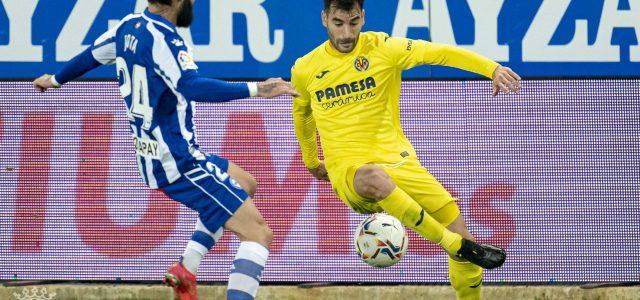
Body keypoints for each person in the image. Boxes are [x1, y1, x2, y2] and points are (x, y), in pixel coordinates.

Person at [33, 0, 299, 299]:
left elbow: (92, 56)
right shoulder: (166, 39)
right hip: (179, 161)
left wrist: (55, 79)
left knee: (245, 183)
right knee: (258, 234)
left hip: (155, 156)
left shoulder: (128, 27)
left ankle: (187, 268)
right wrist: (256, 90)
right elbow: (192, 86)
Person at [290, 0, 521, 299]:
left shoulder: (384, 48)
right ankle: (452, 243)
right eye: (338, 23)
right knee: (373, 176)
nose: (347, 33)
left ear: (363, 17)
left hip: (399, 163)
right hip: (351, 173)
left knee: (466, 242)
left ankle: (462, 255)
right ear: (324, 18)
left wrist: (491, 68)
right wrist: (311, 160)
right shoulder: (305, 68)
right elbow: (303, 114)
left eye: (354, 22)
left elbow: (439, 53)